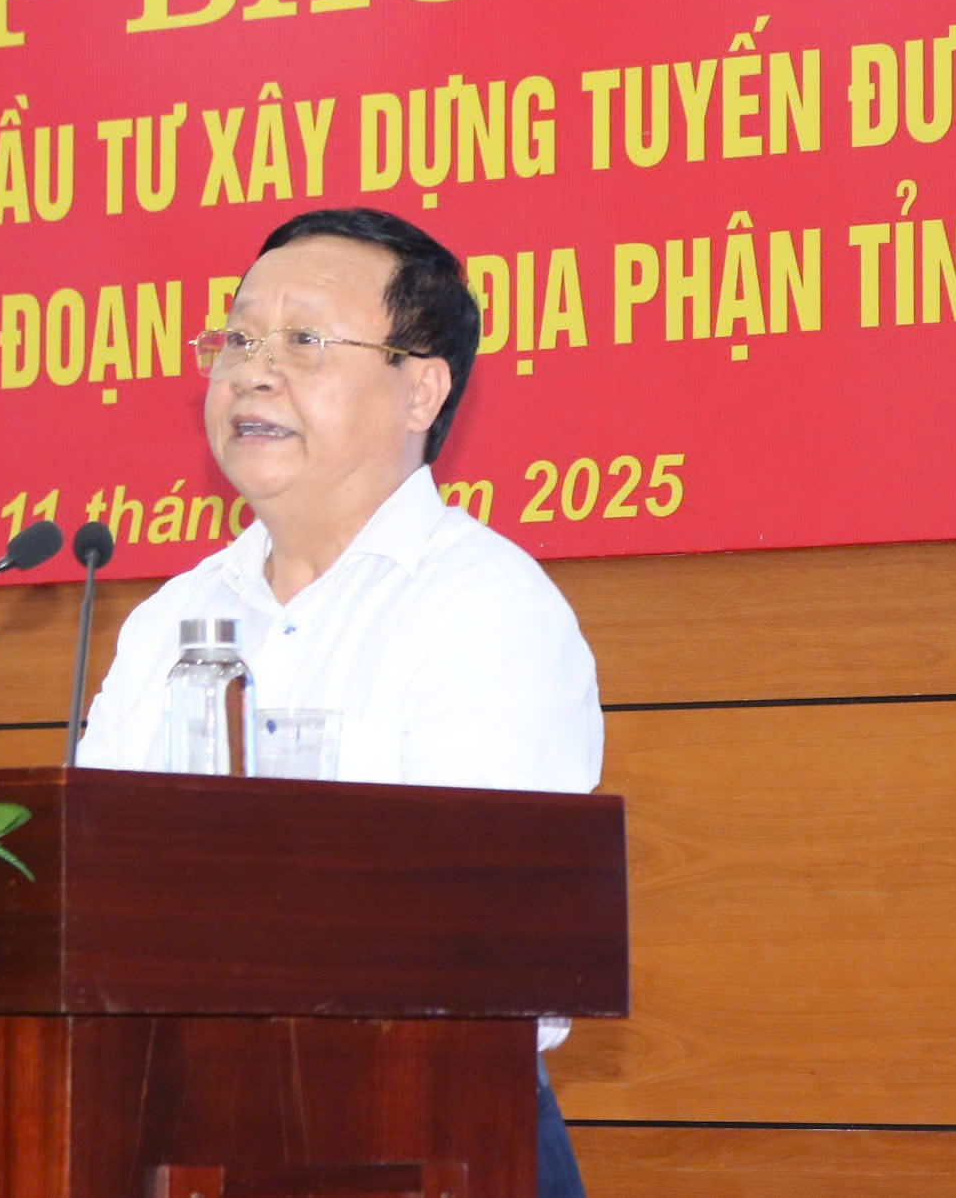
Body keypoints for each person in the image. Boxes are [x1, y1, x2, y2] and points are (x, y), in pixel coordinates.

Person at [74, 206, 602, 1198]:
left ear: (421, 389)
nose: (252, 372)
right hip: (181, 1137)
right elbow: (87, 904)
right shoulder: (165, 622)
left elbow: (491, 954)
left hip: (427, 1141)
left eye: (304, 340)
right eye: (238, 340)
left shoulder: (485, 608)